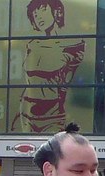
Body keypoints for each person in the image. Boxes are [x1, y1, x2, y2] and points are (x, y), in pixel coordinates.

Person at [11, 0, 86, 134]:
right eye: (34, 13)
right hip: (26, 114)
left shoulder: (73, 46)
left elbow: (67, 85)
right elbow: (30, 83)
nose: (38, 16)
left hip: (52, 116)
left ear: (57, 11)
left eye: (43, 10)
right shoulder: (32, 44)